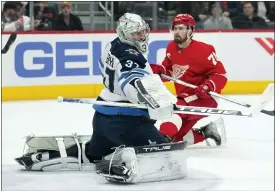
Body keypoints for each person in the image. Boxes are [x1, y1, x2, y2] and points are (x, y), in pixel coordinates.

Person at [15, 13, 188, 184]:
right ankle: (120, 163)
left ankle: (45, 156)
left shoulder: (113, 45)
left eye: (143, 32)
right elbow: (133, 84)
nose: (142, 36)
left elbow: (123, 71)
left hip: (102, 119)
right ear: (125, 33)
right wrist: (161, 102)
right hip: (126, 123)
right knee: (166, 154)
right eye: (136, 33)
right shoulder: (131, 57)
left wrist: (149, 71)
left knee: (92, 154)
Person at [150, 13, 227, 147]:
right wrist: (160, 71)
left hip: (205, 98)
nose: (177, 32)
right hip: (185, 98)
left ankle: (162, 138)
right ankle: (206, 132)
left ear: (191, 30)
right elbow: (170, 71)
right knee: (176, 137)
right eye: (175, 28)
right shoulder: (171, 48)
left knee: (176, 110)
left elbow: (221, 75)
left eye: (181, 28)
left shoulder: (203, 50)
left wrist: (208, 86)